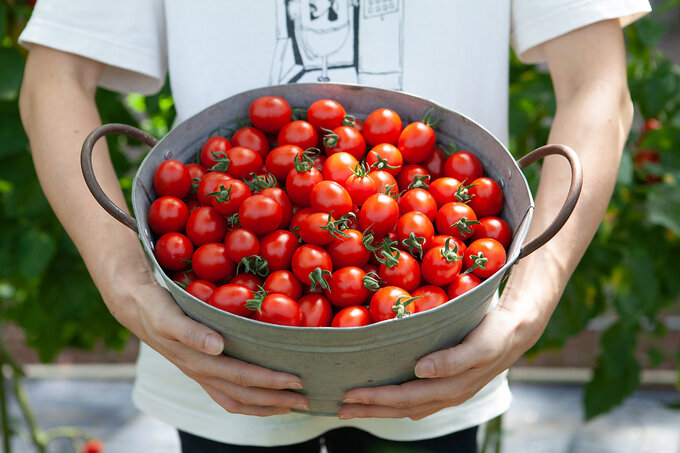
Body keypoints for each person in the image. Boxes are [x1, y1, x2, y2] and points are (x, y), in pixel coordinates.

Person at [18, 1, 651, 451]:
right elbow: (54, 80)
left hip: (447, 353)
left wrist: (532, 297)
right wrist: (123, 275)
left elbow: (598, 85)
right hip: (214, 357)